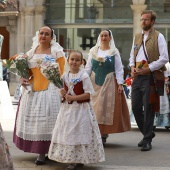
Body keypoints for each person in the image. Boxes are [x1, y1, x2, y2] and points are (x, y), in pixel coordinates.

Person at [13, 26, 65, 165]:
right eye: (41, 33)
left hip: (51, 89)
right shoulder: (31, 52)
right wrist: (22, 78)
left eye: (47, 34)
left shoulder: (56, 51)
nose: (43, 36)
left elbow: (62, 71)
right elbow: (27, 72)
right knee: (36, 123)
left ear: (51, 37)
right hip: (33, 91)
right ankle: (40, 152)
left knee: (49, 121)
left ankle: (53, 151)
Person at [48, 50, 105, 170]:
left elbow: (88, 94)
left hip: (80, 110)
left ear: (81, 62)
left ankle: (78, 159)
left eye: (77, 60)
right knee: (68, 132)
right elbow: (63, 93)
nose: (74, 62)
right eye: (72, 59)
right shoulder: (65, 76)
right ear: (68, 60)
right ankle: (72, 159)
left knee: (79, 131)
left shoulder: (83, 76)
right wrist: (62, 93)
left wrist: (73, 97)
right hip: (67, 110)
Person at [129, 10, 169, 151]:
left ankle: (147, 140)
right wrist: (132, 67)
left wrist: (149, 68)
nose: (143, 22)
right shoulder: (137, 37)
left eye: (146, 19)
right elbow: (131, 56)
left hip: (150, 76)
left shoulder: (159, 36)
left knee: (149, 108)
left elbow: (164, 58)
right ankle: (149, 133)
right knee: (135, 107)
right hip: (137, 76)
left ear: (152, 22)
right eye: (141, 19)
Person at [85, 29, 131, 145]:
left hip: (109, 82)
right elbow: (88, 68)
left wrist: (120, 84)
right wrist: (83, 81)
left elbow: (119, 69)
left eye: (106, 36)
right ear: (99, 37)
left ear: (110, 38)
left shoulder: (114, 52)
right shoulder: (93, 51)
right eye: (102, 36)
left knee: (104, 107)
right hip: (94, 83)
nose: (104, 38)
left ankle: (103, 135)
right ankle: (95, 133)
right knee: (94, 108)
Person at [154, 62, 170, 129]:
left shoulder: (166, 65)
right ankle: (154, 123)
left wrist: (166, 86)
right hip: (154, 85)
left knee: (162, 103)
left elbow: (167, 78)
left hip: (161, 85)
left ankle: (166, 122)